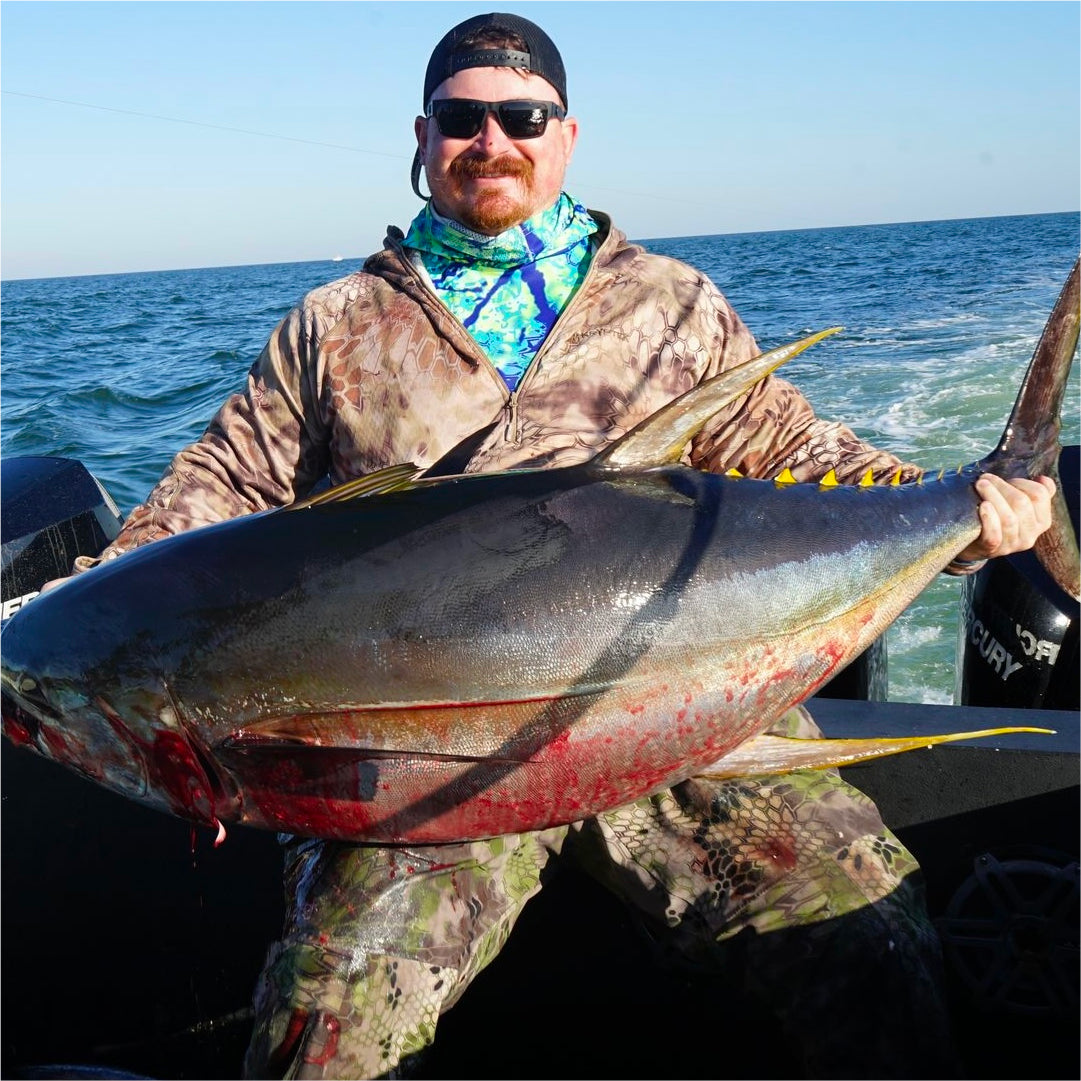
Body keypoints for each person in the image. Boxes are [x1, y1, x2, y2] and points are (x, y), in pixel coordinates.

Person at [71, 13, 1056, 1079]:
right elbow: (216, 494)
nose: (492, 140)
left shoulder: (671, 305)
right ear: (422, 135)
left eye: (523, 117)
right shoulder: (336, 326)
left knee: (872, 940)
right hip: (426, 759)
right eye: (462, 117)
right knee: (327, 1026)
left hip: (683, 712)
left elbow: (801, 456)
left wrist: (967, 514)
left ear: (567, 136)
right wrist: (71, 611)